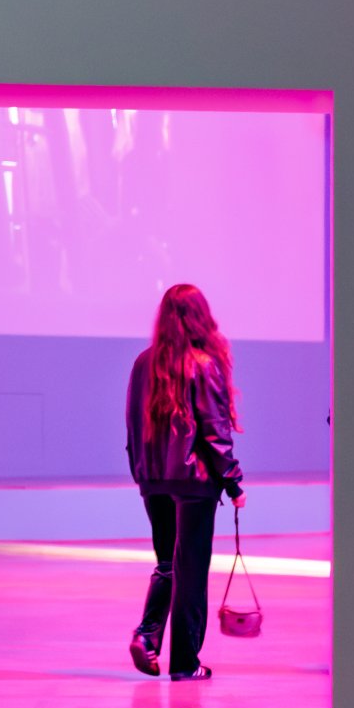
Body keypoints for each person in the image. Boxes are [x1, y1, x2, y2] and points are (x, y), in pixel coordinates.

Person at [126, 283, 245, 680]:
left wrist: (143, 475)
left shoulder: (143, 363)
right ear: (200, 317)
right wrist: (233, 482)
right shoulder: (203, 362)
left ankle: (146, 635)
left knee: (167, 563)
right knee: (191, 570)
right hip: (194, 484)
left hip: (154, 480)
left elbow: (132, 426)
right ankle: (185, 664)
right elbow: (214, 430)